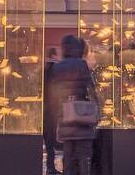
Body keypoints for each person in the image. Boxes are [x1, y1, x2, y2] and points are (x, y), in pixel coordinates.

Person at [50, 36, 97, 175]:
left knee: (68, 153)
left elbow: (54, 92)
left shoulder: (57, 67)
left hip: (65, 114)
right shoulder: (82, 65)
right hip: (82, 114)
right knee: (83, 155)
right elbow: (91, 88)